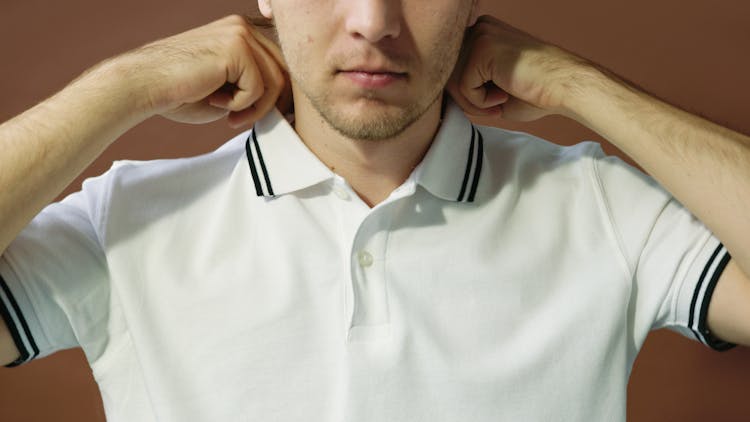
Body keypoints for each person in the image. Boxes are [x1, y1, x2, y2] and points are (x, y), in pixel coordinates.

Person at [0, 0, 748, 420]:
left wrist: (582, 87)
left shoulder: (602, 207)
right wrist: (125, 86)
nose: (372, 21)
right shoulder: (123, 222)